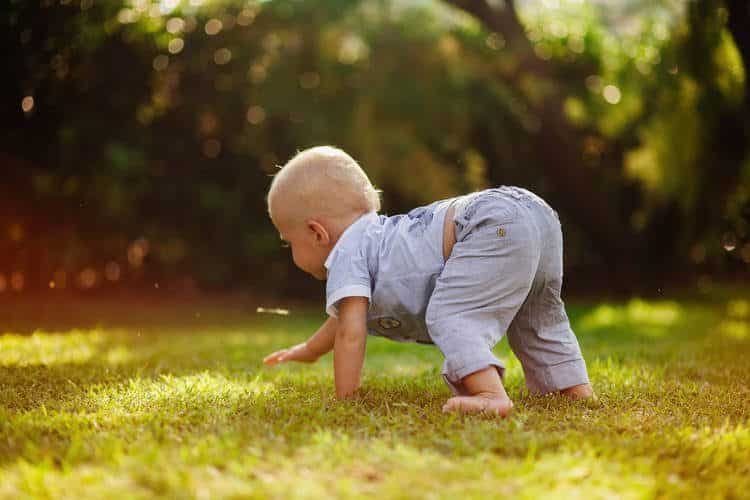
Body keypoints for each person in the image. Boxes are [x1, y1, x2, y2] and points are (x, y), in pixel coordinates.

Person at [262, 145, 594, 416]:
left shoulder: (347, 250)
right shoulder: (374, 239)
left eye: (288, 241)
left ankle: (490, 396)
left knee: (449, 314)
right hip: (534, 215)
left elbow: (351, 332)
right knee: (537, 315)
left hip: (487, 222)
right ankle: (573, 388)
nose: (291, 251)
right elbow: (344, 320)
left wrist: (345, 399)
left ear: (316, 232)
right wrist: (308, 350)